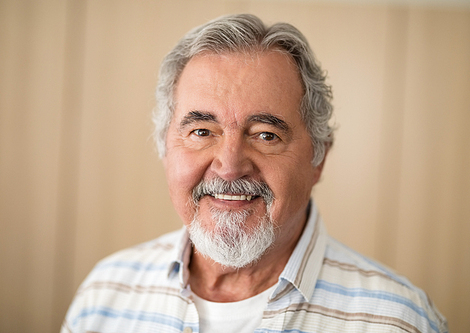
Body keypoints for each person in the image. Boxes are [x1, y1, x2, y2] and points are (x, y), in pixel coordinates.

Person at [62, 14, 448, 333]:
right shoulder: (104, 295)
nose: (230, 166)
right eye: (201, 131)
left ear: (319, 159)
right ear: (165, 148)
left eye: (266, 135)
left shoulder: (399, 320)